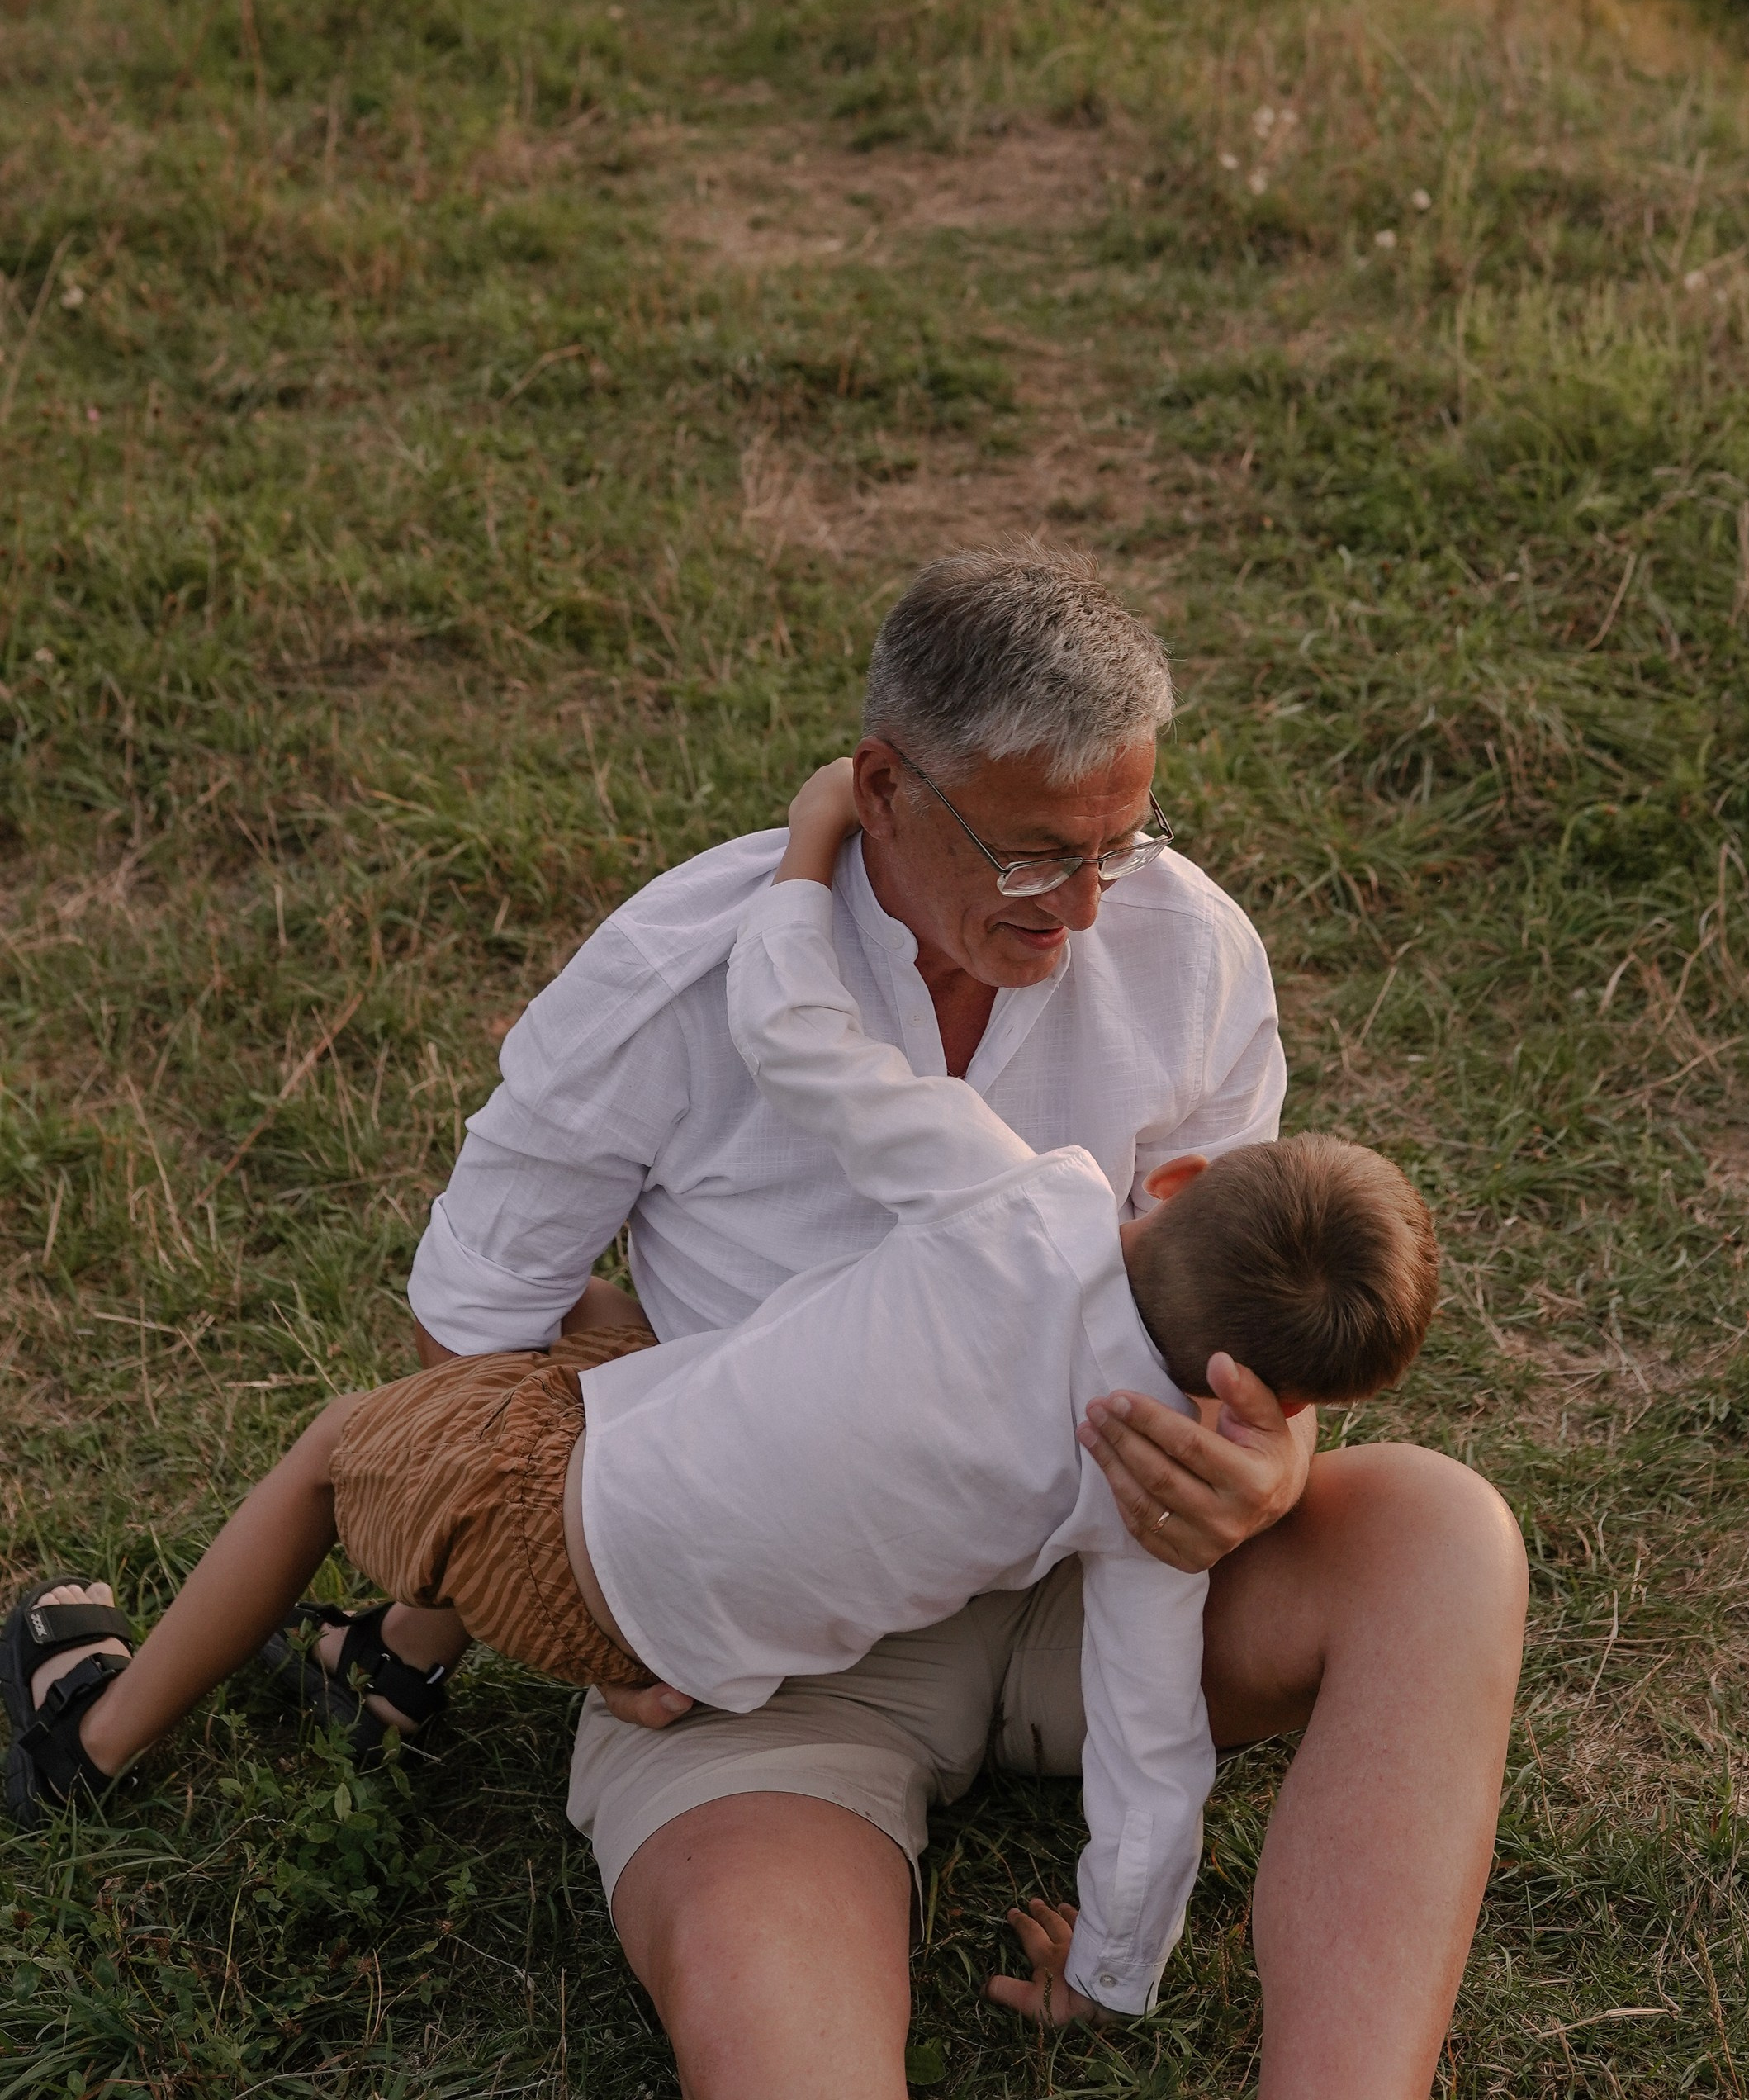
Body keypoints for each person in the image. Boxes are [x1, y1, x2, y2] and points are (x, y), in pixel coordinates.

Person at [19, 555, 1524, 2092]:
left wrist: (1264, 1477)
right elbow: (477, 1331)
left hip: (1118, 1568)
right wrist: (612, 1585)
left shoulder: (1182, 947)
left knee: (1440, 1534)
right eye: (1029, 856)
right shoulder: (683, 970)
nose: (1078, 908)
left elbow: (1239, 1322)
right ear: (883, 786)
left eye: (1116, 849)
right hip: (762, 1668)